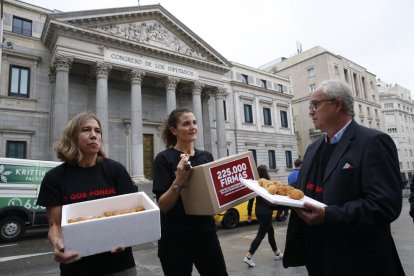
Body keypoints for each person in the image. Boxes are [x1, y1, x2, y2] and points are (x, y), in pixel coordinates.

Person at [283, 80, 405, 276]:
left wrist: (328, 215)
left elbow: (385, 206)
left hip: (358, 261)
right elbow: (303, 192)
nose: (310, 112)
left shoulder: (373, 142)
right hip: (318, 258)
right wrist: (275, 196)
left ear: (337, 105)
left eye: (315, 105)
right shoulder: (313, 148)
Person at [37, 112, 137, 275]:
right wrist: (57, 243)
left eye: (97, 131)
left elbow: (132, 213)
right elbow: (55, 224)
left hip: (120, 263)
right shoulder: (54, 178)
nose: (94, 135)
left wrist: (126, 237)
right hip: (77, 264)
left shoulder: (116, 170)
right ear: (72, 136)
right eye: (86, 130)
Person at [152, 108, 228, 276]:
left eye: (194, 122)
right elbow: (163, 206)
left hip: (206, 234)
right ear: (174, 130)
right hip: (174, 238)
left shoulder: (206, 156)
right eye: (186, 124)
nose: (192, 127)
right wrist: (179, 180)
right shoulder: (163, 159)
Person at [243, 165, 283, 267]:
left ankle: (277, 253)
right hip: (266, 212)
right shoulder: (268, 184)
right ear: (266, 172)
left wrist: (249, 213)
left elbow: (251, 200)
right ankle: (248, 256)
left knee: (271, 232)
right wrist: (280, 210)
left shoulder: (257, 184)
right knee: (261, 235)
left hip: (259, 212)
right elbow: (275, 198)